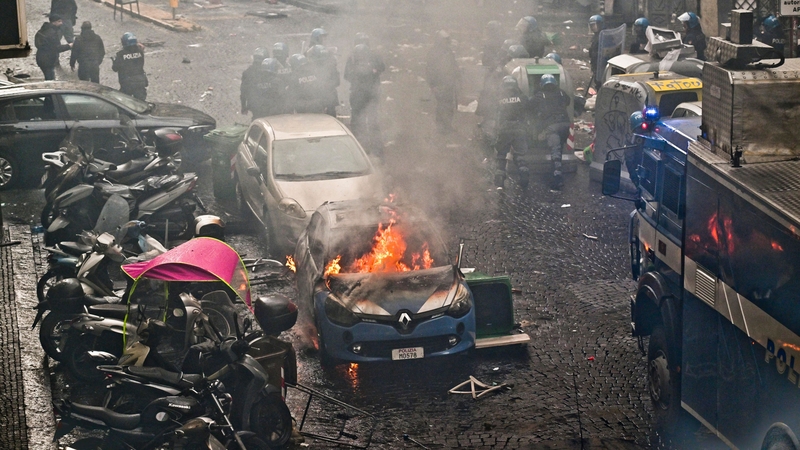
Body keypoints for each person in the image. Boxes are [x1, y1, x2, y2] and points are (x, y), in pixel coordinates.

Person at [344, 41, 385, 155]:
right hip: (363, 95)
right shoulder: (353, 60)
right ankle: (366, 146)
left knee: (366, 120)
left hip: (364, 95)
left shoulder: (370, 59)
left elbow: (346, 76)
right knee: (363, 120)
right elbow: (347, 75)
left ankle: (370, 147)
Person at [531, 74, 571, 190]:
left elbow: (529, 106)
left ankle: (557, 177)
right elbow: (568, 101)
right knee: (559, 148)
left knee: (555, 151)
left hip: (552, 127)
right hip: (565, 125)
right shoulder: (562, 92)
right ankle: (557, 170)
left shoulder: (539, 95)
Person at [493, 76, 530, 188]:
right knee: (520, 154)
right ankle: (523, 173)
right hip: (519, 127)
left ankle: (500, 178)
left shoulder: (499, 98)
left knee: (501, 154)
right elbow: (528, 108)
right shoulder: (522, 97)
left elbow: (494, 112)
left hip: (504, 128)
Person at [425, 30, 460, 133]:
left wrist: (457, 77)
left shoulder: (449, 52)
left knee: (449, 105)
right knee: (442, 105)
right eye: (445, 40)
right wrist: (433, 85)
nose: (447, 42)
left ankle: (447, 125)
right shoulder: (433, 53)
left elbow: (454, 66)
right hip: (439, 83)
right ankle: (441, 126)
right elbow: (430, 70)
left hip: (449, 83)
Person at [112, 32, 148, 100]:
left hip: (127, 83)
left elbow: (115, 68)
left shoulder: (121, 54)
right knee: (141, 103)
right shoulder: (140, 52)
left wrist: (114, 61)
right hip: (140, 81)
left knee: (123, 102)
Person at [35, 15, 72, 81]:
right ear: (54, 22)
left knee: (48, 77)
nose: (61, 23)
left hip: (41, 57)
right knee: (50, 79)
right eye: (59, 21)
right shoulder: (52, 33)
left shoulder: (42, 30)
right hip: (48, 60)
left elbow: (37, 43)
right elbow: (57, 48)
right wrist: (69, 46)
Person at [307, 45, 340, 116]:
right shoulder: (310, 67)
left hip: (328, 97)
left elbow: (337, 81)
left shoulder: (331, 67)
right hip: (317, 99)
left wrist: (324, 86)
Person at [241, 47, 269, 116]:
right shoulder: (269, 71)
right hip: (269, 105)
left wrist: (244, 106)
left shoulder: (247, 72)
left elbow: (243, 91)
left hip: (254, 105)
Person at [588, 15, 604, 87]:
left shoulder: (604, 36)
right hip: (595, 64)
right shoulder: (595, 36)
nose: (593, 27)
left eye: (595, 25)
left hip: (602, 64)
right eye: (592, 25)